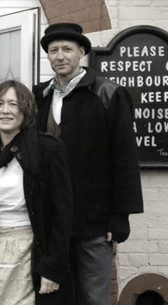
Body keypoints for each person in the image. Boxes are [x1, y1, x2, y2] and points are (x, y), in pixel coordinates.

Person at [33, 23, 144, 305]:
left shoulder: (107, 93)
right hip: (51, 218)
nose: (60, 56)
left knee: (94, 297)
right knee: (57, 297)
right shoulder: (38, 96)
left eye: (67, 49)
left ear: (81, 52)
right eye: (53, 50)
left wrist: (121, 216)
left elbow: (125, 157)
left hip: (94, 218)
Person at [0, 80, 73, 305]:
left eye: (13, 104)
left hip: (30, 250)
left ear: (26, 110)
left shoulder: (48, 150)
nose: (5, 110)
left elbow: (62, 213)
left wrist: (54, 267)